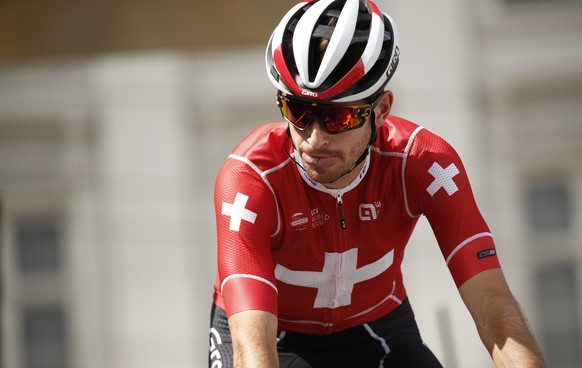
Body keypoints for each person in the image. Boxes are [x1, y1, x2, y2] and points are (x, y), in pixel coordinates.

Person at [209, 0, 546, 367]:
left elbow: (492, 305)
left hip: (377, 328)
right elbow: (253, 345)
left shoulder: (422, 162)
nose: (314, 138)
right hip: (274, 335)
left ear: (381, 109)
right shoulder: (250, 178)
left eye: (338, 117)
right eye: (297, 110)